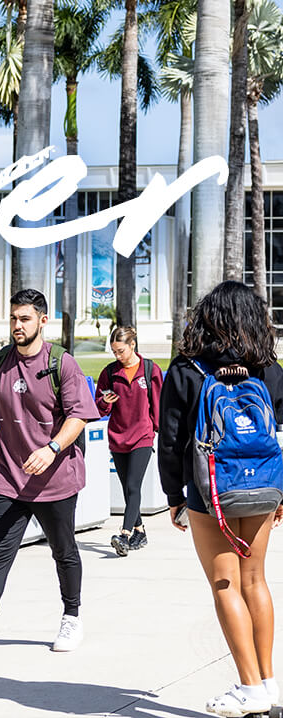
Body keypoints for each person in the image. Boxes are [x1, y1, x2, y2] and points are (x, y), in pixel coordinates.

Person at [0, 288, 99, 664]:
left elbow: (78, 416)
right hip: (7, 477)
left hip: (55, 478)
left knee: (63, 550)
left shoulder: (62, 364)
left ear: (43, 321)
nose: (17, 325)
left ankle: (71, 617)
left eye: (25, 318)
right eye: (13, 318)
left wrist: (51, 449)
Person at [157, 281, 283, 717]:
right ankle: (267, 682)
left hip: (211, 492)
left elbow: (170, 439)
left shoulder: (187, 368)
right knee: (255, 581)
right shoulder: (267, 367)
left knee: (224, 582)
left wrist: (173, 495)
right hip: (264, 487)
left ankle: (249, 687)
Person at [96, 325, 163, 556]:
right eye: (114, 352)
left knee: (134, 486)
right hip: (118, 436)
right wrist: (105, 402)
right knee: (127, 488)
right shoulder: (109, 373)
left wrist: (155, 429)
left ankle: (124, 535)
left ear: (132, 345)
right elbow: (99, 407)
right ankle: (140, 531)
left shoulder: (150, 369)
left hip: (142, 436)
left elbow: (158, 403)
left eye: (121, 351)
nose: (118, 356)